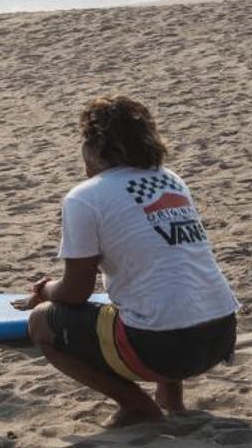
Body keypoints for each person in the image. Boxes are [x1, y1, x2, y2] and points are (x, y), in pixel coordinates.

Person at [14, 96, 240, 428]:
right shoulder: (169, 179)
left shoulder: (85, 197)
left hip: (163, 349)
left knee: (42, 323)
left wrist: (46, 290)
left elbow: (76, 292)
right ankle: (170, 399)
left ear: (95, 146)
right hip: (221, 335)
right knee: (156, 291)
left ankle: (136, 405)